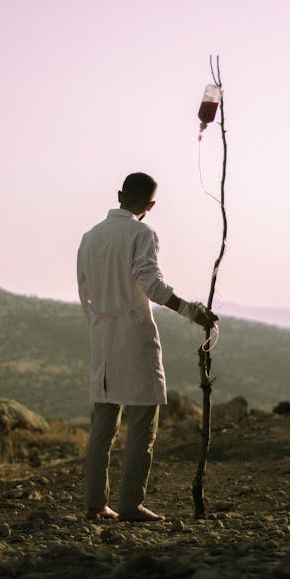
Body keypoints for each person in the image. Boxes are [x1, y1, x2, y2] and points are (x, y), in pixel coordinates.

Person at [77, 172, 218, 522]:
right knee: (143, 421)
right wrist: (191, 311)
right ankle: (130, 505)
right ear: (151, 206)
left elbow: (84, 291)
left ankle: (95, 505)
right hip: (134, 334)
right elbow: (150, 284)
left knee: (104, 424)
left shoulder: (89, 237)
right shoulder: (142, 234)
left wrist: (97, 324)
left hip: (102, 334)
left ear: (119, 194)